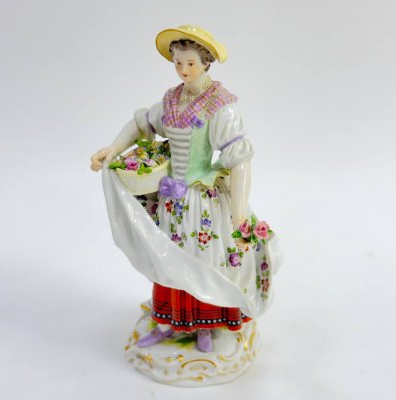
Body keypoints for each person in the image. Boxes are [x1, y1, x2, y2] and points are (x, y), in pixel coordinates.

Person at [91, 25, 276, 353]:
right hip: (170, 199)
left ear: (206, 63)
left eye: (190, 63)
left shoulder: (220, 105)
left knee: (202, 263)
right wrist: (113, 148)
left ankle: (205, 325)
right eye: (178, 63)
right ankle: (168, 321)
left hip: (201, 202)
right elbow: (141, 124)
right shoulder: (172, 100)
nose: (183, 70)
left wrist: (238, 214)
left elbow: (239, 160)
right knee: (166, 259)